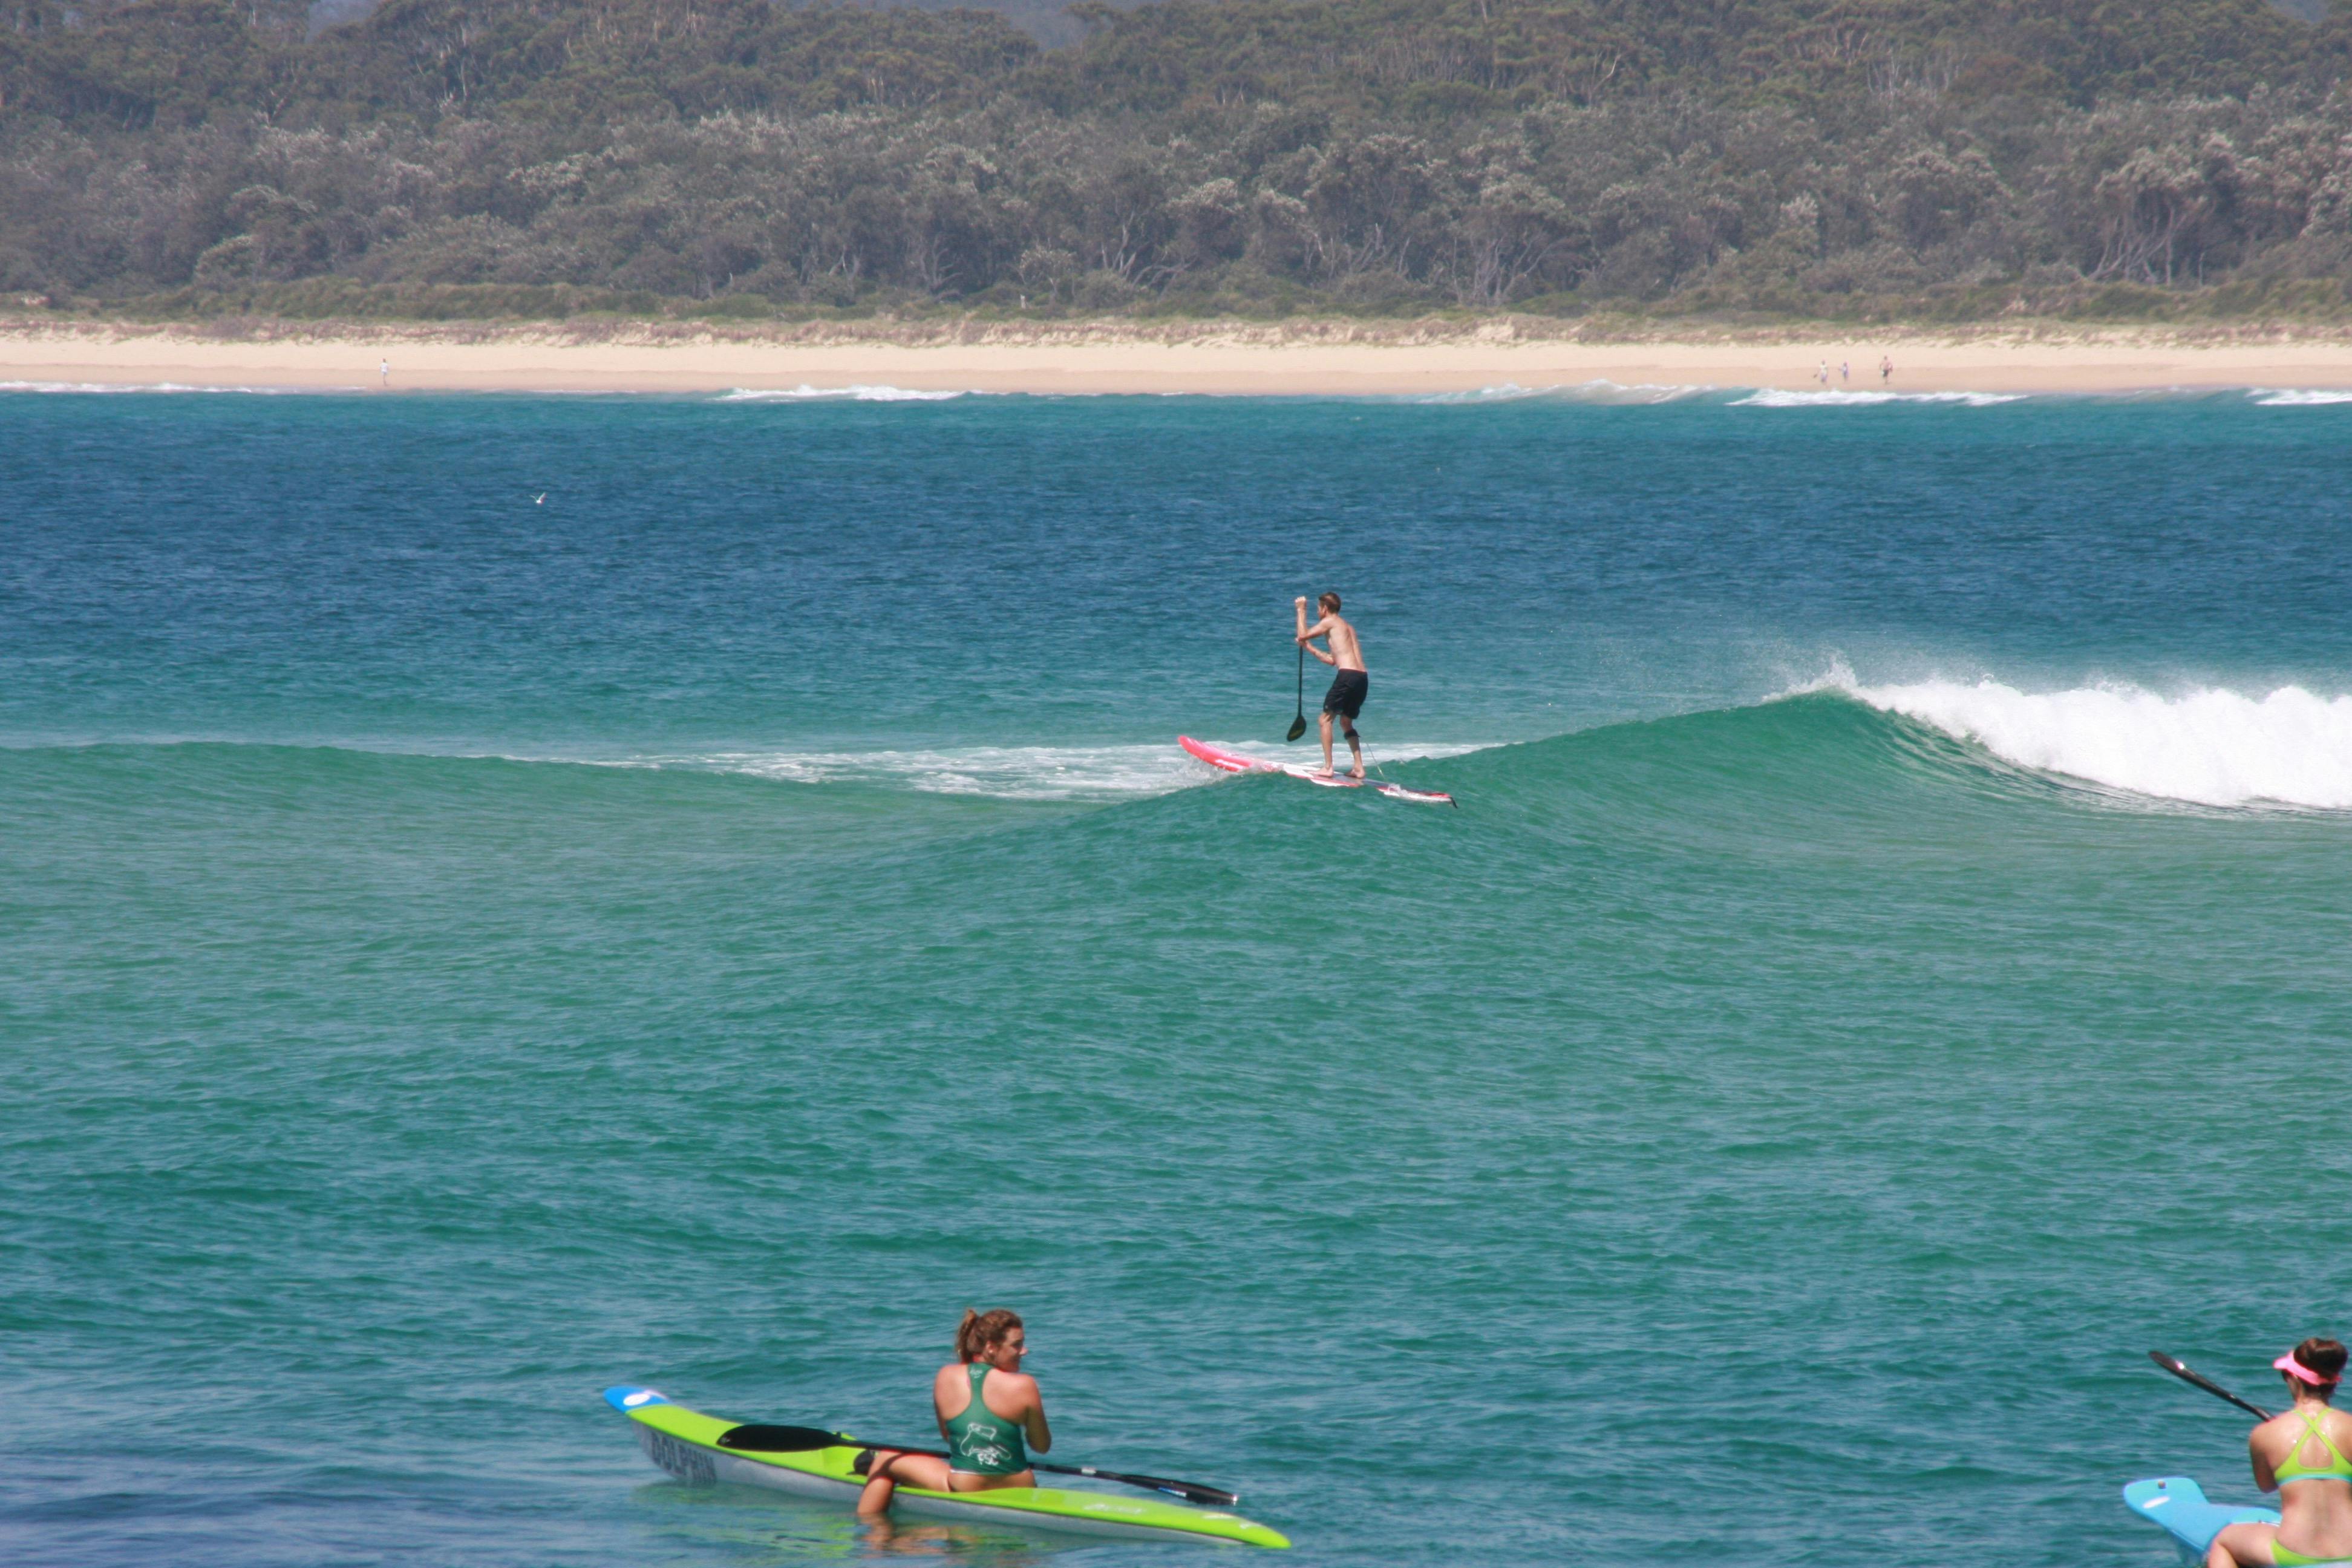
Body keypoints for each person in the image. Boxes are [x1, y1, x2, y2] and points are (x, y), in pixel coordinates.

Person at [857, 1309, 1050, 1517]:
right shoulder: (1025, 1385)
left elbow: (948, 1437)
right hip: (1020, 1485)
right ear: (991, 1348)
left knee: (886, 1457)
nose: (1024, 1351)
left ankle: (870, 1529)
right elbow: (1041, 1447)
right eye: (1017, 1345)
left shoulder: (946, 1376)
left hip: (967, 1485)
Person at [2206, 1339, 2352, 1567]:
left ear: (2294, 1379)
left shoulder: (2265, 1434)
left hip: (2295, 1553)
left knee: (2224, 1541)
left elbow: (2266, 1485)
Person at [1295, 591, 1367, 779]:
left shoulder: (1331, 621)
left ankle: (1328, 767)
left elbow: (1302, 635)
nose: (1318, 612)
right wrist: (1309, 648)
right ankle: (1358, 768)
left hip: (1347, 676)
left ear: (1325, 609)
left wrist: (1301, 610)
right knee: (1346, 722)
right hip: (1362, 678)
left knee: (1325, 720)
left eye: (1318, 608)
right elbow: (1332, 660)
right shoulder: (1347, 627)